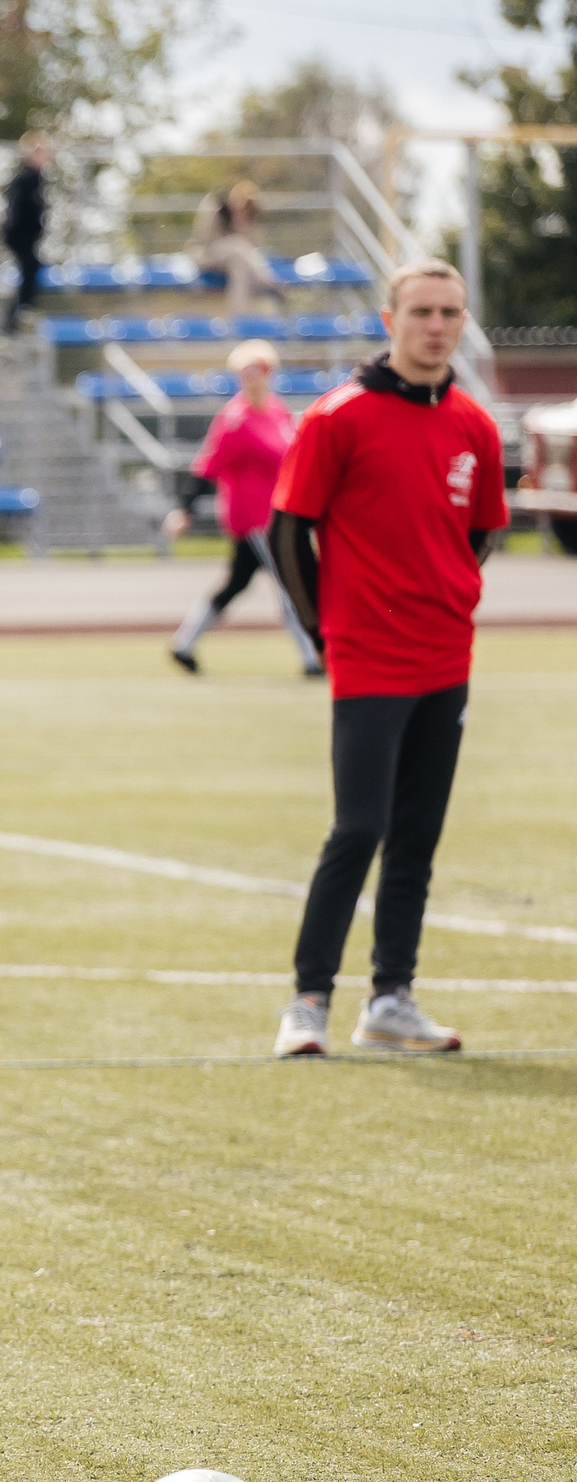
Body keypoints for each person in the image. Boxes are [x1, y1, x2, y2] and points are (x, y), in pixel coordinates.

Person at [268, 261, 504, 1059]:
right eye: (422, 311)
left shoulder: (474, 423)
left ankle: (390, 998)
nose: (437, 326)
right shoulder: (338, 417)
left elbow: (480, 532)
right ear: (389, 318)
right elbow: (287, 531)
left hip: (447, 654)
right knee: (359, 825)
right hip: (368, 654)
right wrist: (323, 626)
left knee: (417, 833)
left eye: (450, 312)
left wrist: (452, 591)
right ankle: (307, 1001)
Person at [163, 340, 318, 676]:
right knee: (290, 581)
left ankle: (184, 644)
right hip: (253, 518)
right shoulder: (235, 419)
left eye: (259, 370)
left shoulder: (277, 411)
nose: (253, 377)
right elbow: (207, 467)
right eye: (246, 371)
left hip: (279, 514)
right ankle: (311, 656)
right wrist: (184, 510)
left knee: (237, 583)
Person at [188, 181, 287, 321]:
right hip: (206, 255)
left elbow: (252, 246)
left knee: (239, 265)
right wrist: (229, 221)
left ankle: (239, 318)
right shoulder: (214, 205)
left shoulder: (247, 219)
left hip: (233, 260)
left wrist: (241, 222)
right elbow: (205, 241)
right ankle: (272, 282)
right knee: (237, 244)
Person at [0, 133, 51, 335]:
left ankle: (22, 312)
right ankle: (20, 314)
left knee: (32, 268)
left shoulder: (38, 179)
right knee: (30, 266)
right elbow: (16, 207)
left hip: (28, 237)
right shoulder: (25, 179)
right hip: (18, 234)